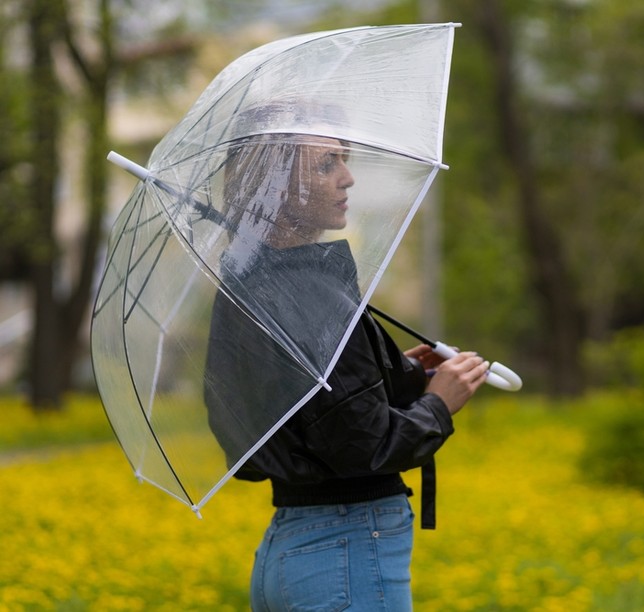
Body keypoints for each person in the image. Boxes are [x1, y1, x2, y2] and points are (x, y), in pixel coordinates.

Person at [204, 111, 489, 611]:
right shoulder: (310, 298)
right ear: (277, 186)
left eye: (343, 160)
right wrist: (438, 405)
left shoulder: (247, 285)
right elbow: (367, 448)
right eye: (325, 164)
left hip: (290, 551)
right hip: (347, 549)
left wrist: (390, 373)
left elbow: (307, 417)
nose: (347, 177)